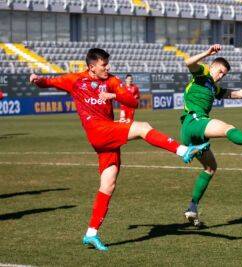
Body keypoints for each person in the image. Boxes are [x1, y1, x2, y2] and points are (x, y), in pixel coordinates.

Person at [30, 48, 209, 251]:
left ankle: (91, 233)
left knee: (108, 183)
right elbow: (50, 82)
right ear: (91, 67)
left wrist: (113, 94)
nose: (108, 68)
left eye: (108, 64)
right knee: (143, 127)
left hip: (107, 133)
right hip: (97, 130)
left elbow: (133, 101)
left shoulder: (111, 81)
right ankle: (183, 151)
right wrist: (37, 79)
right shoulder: (76, 80)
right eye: (104, 65)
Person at [181, 44, 242, 226]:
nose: (221, 76)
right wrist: (207, 53)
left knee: (210, 168)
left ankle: (192, 207)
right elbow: (188, 62)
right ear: (212, 66)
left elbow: (239, 93)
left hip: (195, 133)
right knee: (227, 128)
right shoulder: (201, 74)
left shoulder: (214, 88)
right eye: (220, 72)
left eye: (224, 75)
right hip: (193, 122)